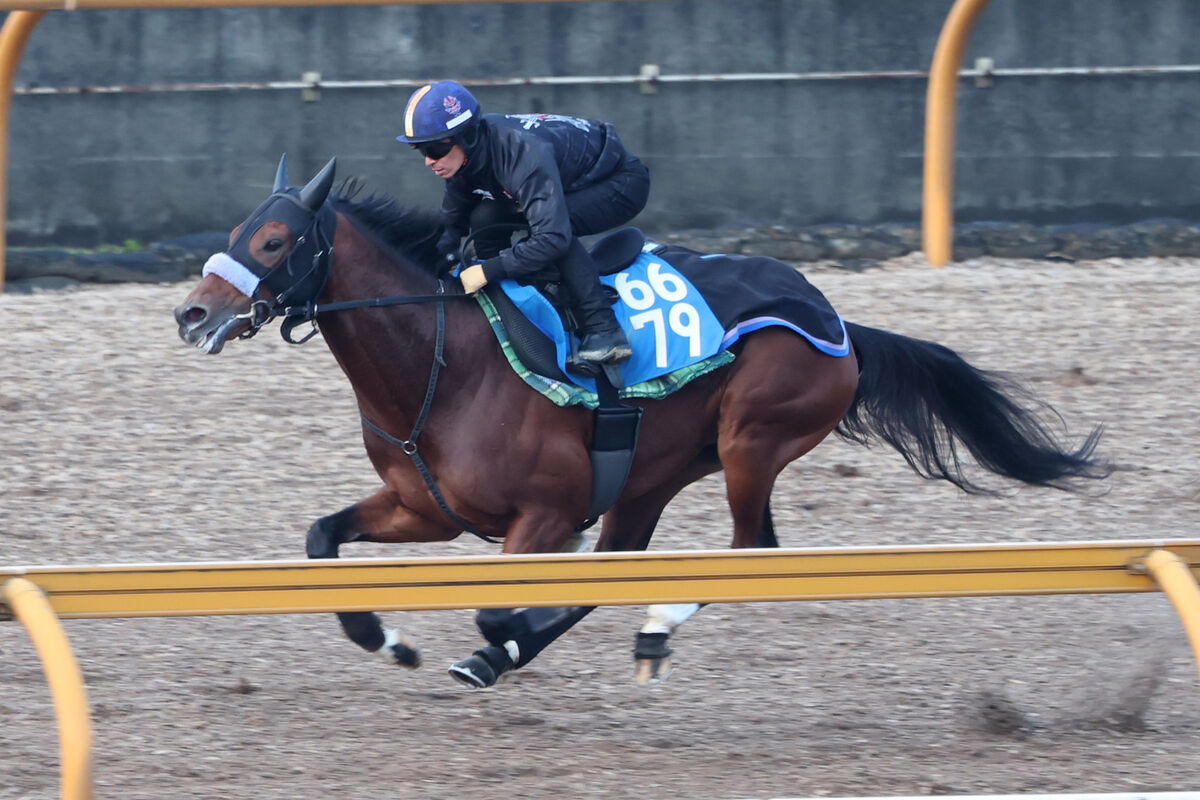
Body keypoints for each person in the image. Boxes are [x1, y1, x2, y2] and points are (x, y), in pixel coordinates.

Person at [396, 80, 650, 365]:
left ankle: (605, 330)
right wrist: (427, 267)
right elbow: (451, 225)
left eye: (434, 150)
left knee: (551, 230)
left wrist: (487, 270)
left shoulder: (521, 154)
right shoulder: (464, 159)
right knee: (484, 215)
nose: (429, 161)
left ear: (465, 138)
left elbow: (553, 237)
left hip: (620, 183)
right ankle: (506, 303)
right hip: (565, 180)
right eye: (420, 151)